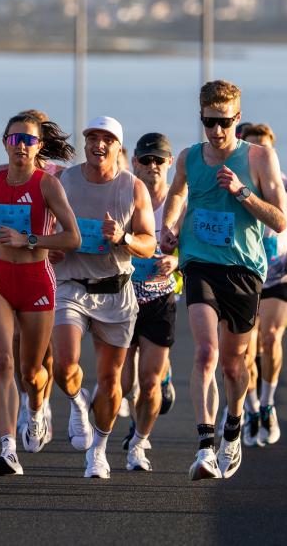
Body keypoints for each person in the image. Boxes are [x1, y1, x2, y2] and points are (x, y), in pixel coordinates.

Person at [160, 80, 287, 481]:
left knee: (234, 365)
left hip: (245, 268)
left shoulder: (260, 158)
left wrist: (242, 193)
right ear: (201, 118)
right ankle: (204, 446)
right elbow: (177, 194)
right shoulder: (189, 157)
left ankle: (233, 426)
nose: (217, 131)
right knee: (205, 354)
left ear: (237, 118)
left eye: (224, 122)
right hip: (199, 262)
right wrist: (168, 225)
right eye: (209, 122)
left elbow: (281, 220)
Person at [0, 112, 80, 475]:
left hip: (35, 279)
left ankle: (36, 408)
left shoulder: (47, 185)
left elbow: (72, 237)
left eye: (28, 140)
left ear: (39, 146)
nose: (21, 146)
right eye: (14, 139)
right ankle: (7, 448)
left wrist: (29, 239)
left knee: (32, 372)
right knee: (2, 359)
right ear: (4, 143)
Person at [52, 117, 156, 479]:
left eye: (107, 139)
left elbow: (149, 244)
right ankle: (78, 404)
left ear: (118, 146)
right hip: (72, 284)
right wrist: (50, 248)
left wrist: (123, 239)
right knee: (64, 365)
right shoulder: (65, 180)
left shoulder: (133, 188)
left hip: (115, 289)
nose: (98, 144)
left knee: (112, 381)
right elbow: (50, 230)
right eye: (92, 138)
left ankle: (98, 450)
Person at [238, 123, 287, 447]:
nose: (261, 153)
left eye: (266, 148)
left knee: (271, 336)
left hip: (280, 273)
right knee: (246, 350)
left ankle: (267, 404)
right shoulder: (236, 186)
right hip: (245, 273)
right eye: (254, 147)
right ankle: (251, 408)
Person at [118, 132, 179, 472]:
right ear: (135, 163)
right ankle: (130, 421)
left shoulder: (179, 201)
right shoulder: (123, 196)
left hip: (161, 296)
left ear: (169, 163)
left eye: (159, 160)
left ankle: (139, 444)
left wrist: (177, 260)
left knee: (151, 380)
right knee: (124, 384)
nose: (153, 166)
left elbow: (197, 244)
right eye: (146, 160)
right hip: (124, 296)